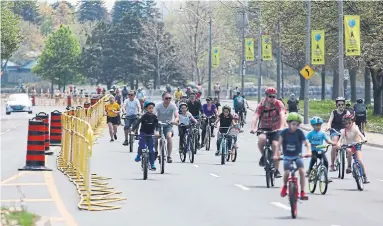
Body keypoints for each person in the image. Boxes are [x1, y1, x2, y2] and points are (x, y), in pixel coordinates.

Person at [250, 87, 285, 178]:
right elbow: (255, 116)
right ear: (266, 96)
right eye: (270, 96)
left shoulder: (279, 104)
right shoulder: (261, 104)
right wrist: (253, 128)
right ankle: (264, 156)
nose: (272, 98)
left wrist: (282, 127)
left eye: (274, 96)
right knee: (262, 139)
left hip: (276, 129)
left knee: (275, 145)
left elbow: (282, 115)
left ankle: (276, 170)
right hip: (264, 128)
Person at [276, 112, 311, 199]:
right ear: (288, 123)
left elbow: (306, 143)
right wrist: (277, 154)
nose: (295, 126)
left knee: (302, 171)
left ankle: (302, 191)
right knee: (287, 172)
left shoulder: (299, 132)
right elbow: (278, 144)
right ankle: (284, 186)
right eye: (293, 124)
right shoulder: (284, 132)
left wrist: (309, 151)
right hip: (287, 156)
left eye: (297, 124)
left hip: (297, 156)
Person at [338, 114, 369, 183]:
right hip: (348, 145)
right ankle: (349, 166)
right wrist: (339, 144)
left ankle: (364, 176)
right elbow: (340, 139)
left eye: (349, 123)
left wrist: (364, 139)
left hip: (357, 145)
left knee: (360, 160)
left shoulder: (355, 128)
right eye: (346, 123)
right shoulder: (344, 131)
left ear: (352, 122)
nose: (348, 125)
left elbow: (360, 134)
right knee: (349, 151)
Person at [306, 117, 335, 181]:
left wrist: (333, 143)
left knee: (326, 161)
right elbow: (306, 140)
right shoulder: (310, 133)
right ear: (313, 126)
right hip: (313, 150)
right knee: (314, 159)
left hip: (320, 150)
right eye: (317, 125)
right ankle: (310, 171)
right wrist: (307, 144)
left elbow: (327, 141)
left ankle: (325, 176)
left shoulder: (322, 133)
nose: (318, 127)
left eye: (319, 125)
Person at [131, 101, 158, 170]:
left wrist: (157, 132)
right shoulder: (144, 116)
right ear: (146, 109)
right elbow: (137, 123)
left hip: (151, 134)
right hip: (143, 133)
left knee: (151, 150)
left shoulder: (154, 117)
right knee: (141, 146)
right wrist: (132, 131)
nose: (151, 109)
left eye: (152, 108)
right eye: (149, 108)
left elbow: (157, 125)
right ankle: (138, 155)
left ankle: (152, 164)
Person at [326, 96, 350, 171]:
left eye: (342, 104)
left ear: (344, 105)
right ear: (336, 105)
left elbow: (350, 121)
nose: (341, 106)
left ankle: (347, 161)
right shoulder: (334, 112)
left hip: (344, 131)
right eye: (339, 104)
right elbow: (330, 121)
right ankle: (332, 165)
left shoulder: (347, 112)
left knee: (348, 145)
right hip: (335, 130)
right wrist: (328, 126)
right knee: (334, 144)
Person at [154, 92, 179, 163]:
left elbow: (176, 116)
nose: (168, 100)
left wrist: (174, 121)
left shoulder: (173, 106)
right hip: (158, 124)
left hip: (168, 125)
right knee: (156, 136)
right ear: (162, 99)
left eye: (170, 98)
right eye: (166, 98)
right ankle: (156, 151)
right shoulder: (158, 105)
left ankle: (169, 156)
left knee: (169, 137)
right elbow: (154, 114)